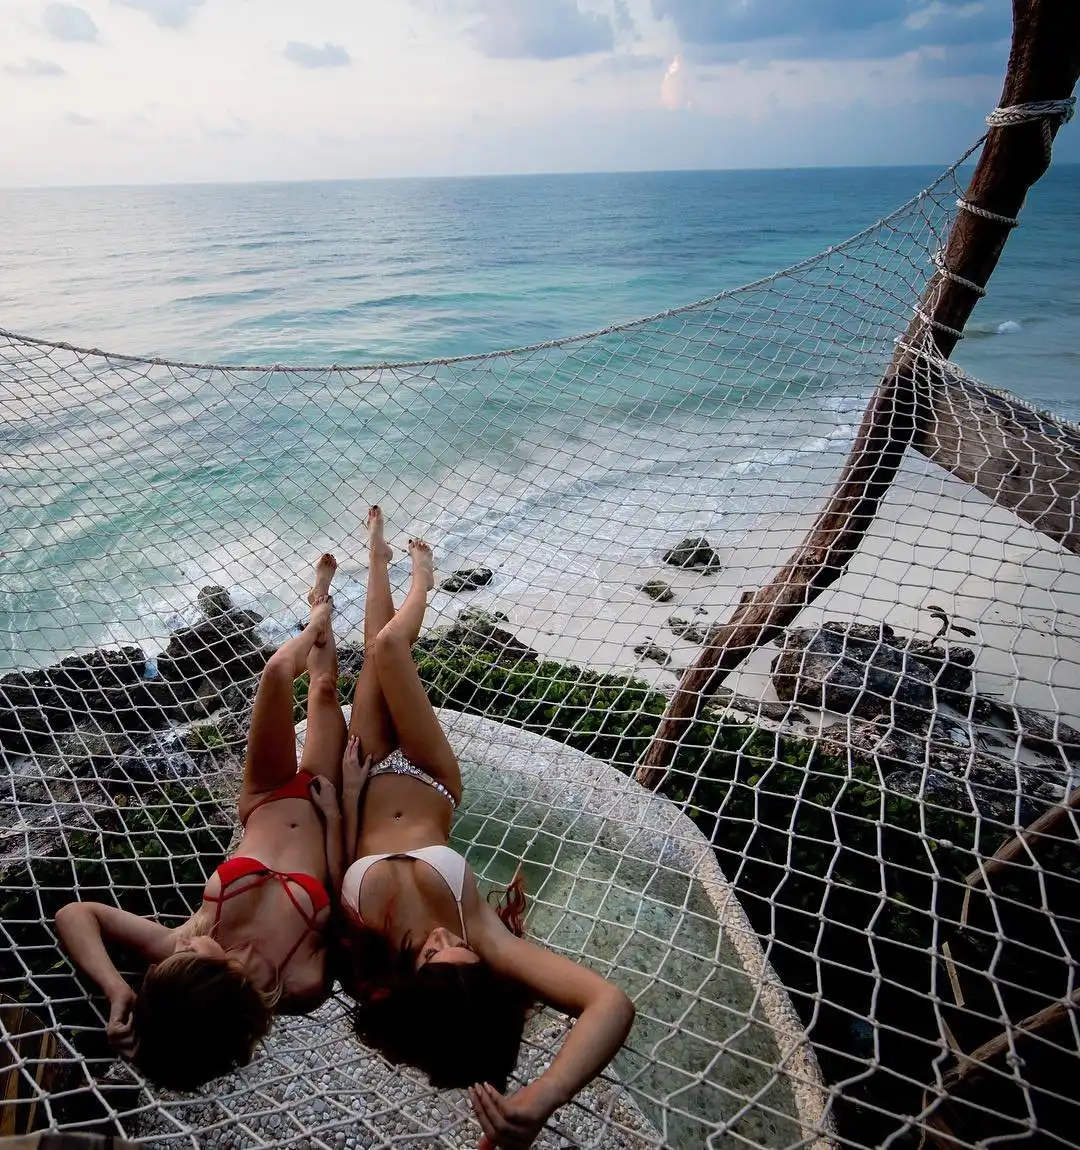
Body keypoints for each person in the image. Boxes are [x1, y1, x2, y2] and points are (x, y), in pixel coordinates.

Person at [338, 508, 635, 1149]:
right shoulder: (488, 942)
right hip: (429, 777)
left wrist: (349, 796)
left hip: (362, 778)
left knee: (370, 657)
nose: (443, 935)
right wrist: (541, 1100)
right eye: (457, 946)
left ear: (413, 984)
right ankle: (423, 575)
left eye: (433, 950)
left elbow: (335, 860)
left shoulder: (369, 967)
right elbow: (610, 1004)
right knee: (390, 649)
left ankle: (380, 560)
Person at [55, 556, 348, 1090]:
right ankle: (319, 614)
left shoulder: (186, 945)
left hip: (264, 796)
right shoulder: (303, 983)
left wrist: (118, 990)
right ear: (211, 983)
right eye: (188, 956)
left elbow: (76, 914)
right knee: (324, 689)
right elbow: (343, 893)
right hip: (324, 806)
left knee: (276, 673)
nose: (183, 945)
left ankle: (317, 614)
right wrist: (333, 815)